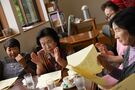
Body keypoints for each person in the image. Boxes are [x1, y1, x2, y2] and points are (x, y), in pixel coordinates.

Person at [97, 7, 135, 89]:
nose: (115, 36)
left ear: (132, 27)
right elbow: (124, 76)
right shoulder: (129, 48)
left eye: (117, 30)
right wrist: (106, 65)